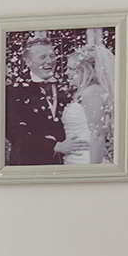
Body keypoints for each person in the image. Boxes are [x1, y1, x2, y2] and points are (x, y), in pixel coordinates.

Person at [5, 37, 88, 165]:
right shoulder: (13, 91)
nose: (49, 61)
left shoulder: (67, 88)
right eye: (42, 57)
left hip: (65, 162)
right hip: (29, 164)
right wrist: (54, 146)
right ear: (28, 61)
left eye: (52, 56)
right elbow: (13, 131)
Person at [60, 44, 114, 164]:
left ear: (84, 70)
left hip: (87, 159)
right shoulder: (84, 92)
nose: (67, 73)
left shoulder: (92, 92)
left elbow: (98, 135)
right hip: (75, 157)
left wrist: (93, 169)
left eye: (70, 68)